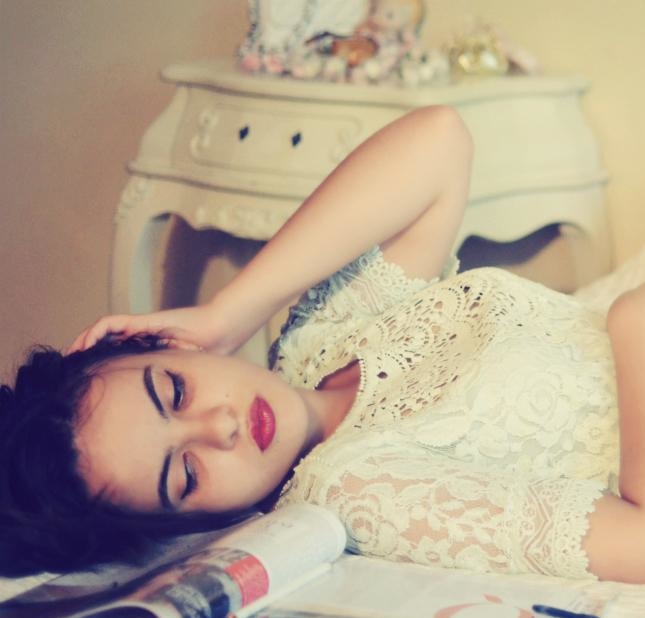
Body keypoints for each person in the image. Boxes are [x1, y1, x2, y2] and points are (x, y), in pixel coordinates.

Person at [3, 106, 645, 584]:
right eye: (187, 474)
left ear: (171, 346)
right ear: (187, 524)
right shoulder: (356, 493)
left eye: (175, 389)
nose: (220, 426)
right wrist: (631, 328)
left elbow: (439, 140)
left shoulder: (318, 339)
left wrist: (228, 312)